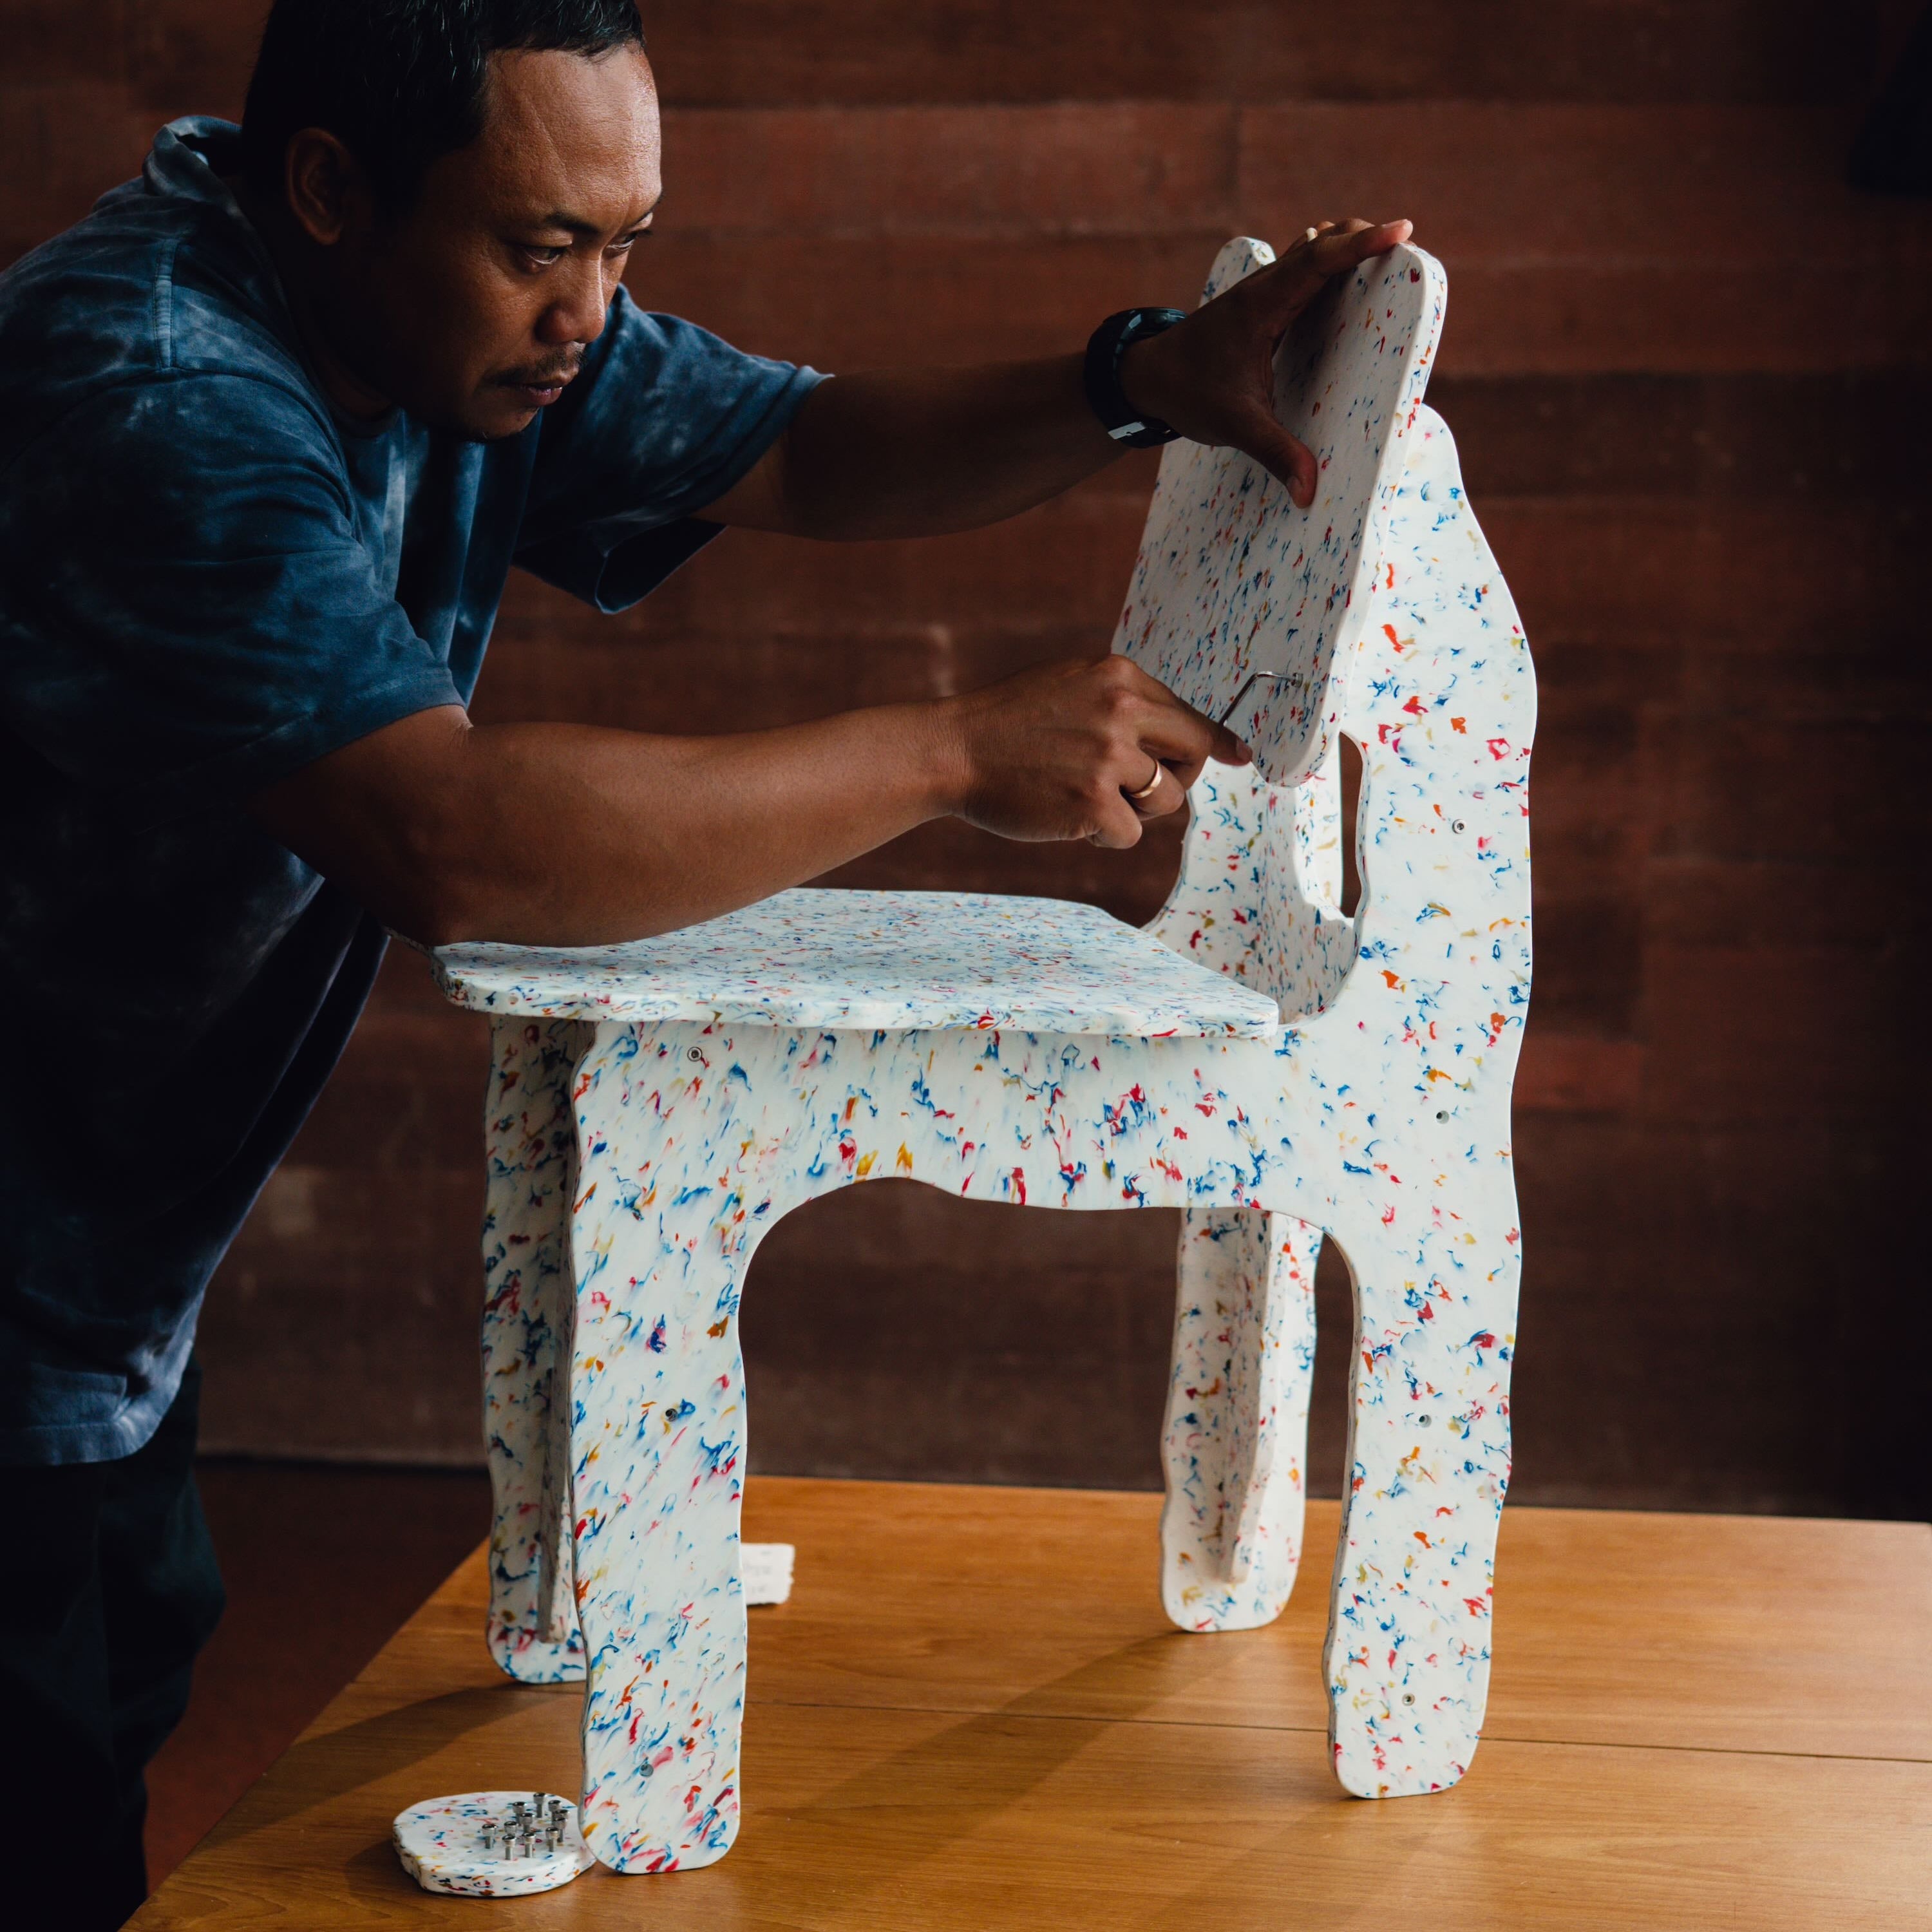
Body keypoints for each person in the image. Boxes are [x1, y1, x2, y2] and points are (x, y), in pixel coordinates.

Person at [0, 0, 1409, 1921]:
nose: (592, 311)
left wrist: (1137, 377)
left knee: (111, 1703)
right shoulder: (159, 392)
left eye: (625, 246)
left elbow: (804, 452)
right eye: (544, 245)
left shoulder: (435, 318)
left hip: (93, 1268)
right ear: (330, 188)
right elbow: (458, 841)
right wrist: (949, 754)